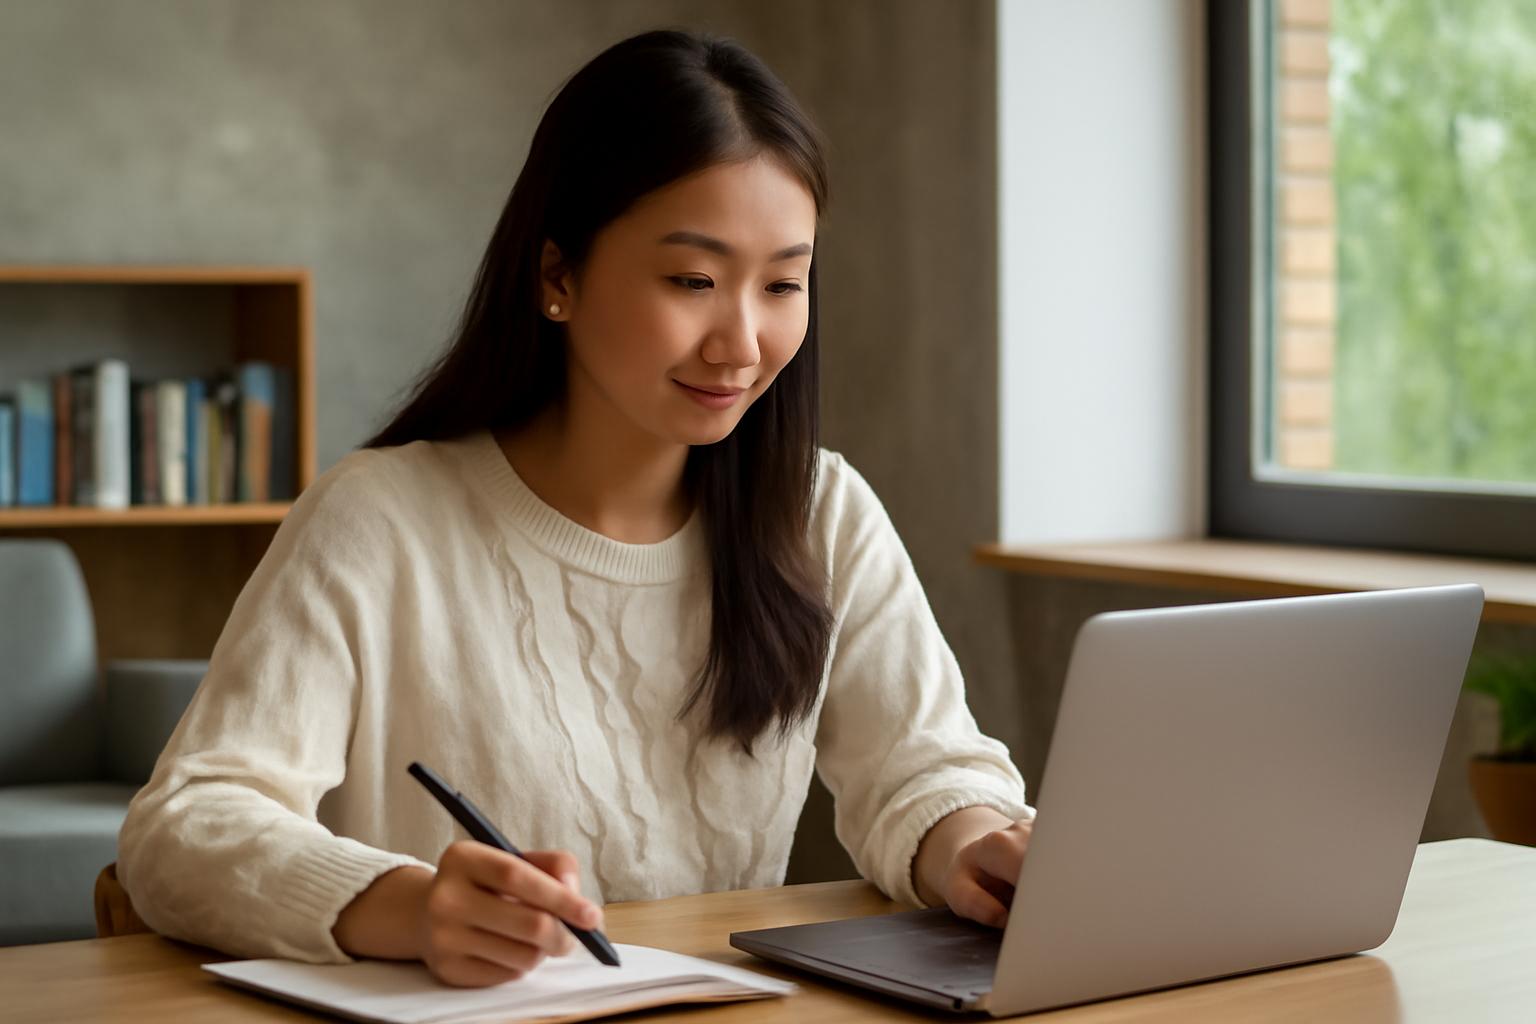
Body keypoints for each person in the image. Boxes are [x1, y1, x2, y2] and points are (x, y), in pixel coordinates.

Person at [117, 28, 1033, 988]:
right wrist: (407, 907)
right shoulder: (380, 519)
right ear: (558, 275)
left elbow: (924, 770)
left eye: (781, 284)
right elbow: (186, 826)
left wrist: (972, 845)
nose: (742, 343)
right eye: (693, 281)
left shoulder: (819, 512)